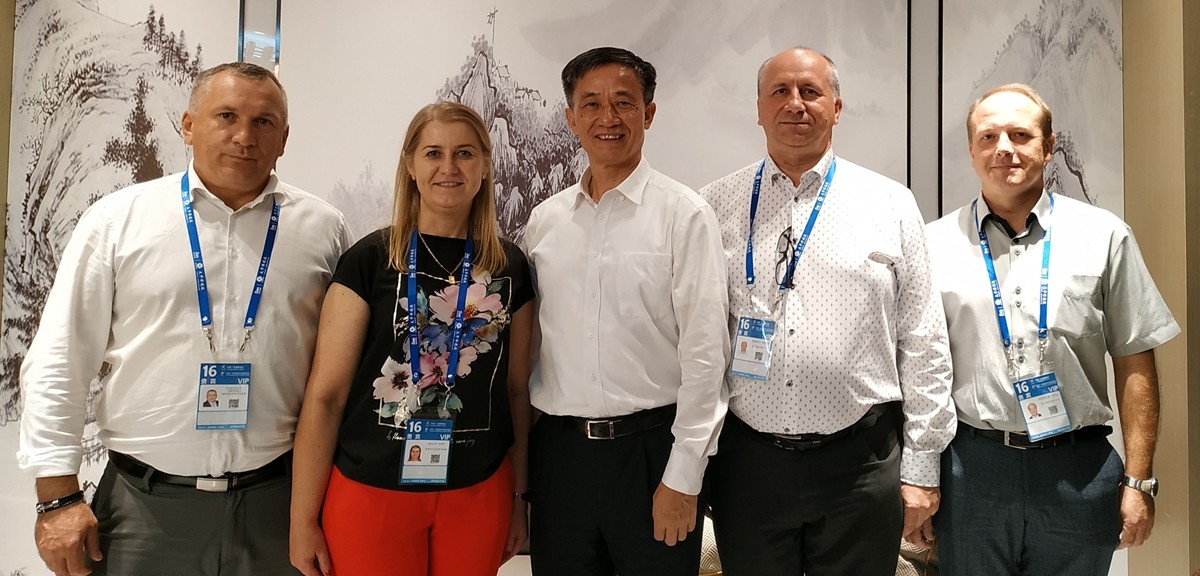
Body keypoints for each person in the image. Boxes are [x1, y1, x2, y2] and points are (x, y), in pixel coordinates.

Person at [17, 62, 351, 576]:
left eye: (263, 122)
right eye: (226, 116)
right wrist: (57, 497)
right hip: (143, 510)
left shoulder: (324, 230)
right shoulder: (117, 220)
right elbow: (60, 359)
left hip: (279, 508)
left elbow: (341, 373)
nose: (244, 136)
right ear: (189, 125)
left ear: (284, 138)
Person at [698, 46, 956, 575]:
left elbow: (923, 340)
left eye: (810, 91)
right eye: (780, 91)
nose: (795, 103)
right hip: (748, 466)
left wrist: (922, 466)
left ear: (836, 108)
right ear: (759, 109)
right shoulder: (714, 204)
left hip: (860, 465)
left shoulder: (890, 203)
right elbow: (698, 341)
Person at [927, 83, 1178, 575]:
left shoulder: (1104, 235)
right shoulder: (933, 244)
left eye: (1020, 135)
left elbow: (1135, 361)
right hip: (971, 470)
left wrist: (1139, 480)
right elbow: (918, 372)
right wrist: (916, 477)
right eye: (988, 136)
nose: (1004, 148)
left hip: (1078, 469)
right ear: (971, 150)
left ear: (1048, 146)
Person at [289, 101, 535, 576]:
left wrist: (520, 498)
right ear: (410, 165)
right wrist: (302, 519)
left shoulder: (510, 268)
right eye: (433, 153)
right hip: (372, 491)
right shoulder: (370, 260)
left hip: (478, 491)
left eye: (464, 153)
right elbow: (326, 396)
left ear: (485, 165)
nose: (449, 167)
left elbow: (516, 391)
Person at [522, 46, 729, 576]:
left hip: (651, 456)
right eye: (590, 104)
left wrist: (683, 477)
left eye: (624, 102)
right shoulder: (545, 222)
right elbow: (532, 350)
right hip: (561, 459)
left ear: (649, 113)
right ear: (571, 118)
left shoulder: (685, 215)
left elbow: (706, 357)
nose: (607, 117)